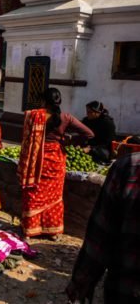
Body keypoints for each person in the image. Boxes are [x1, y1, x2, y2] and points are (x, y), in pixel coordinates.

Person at [17, 88, 94, 239]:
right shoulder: (66, 117)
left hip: (36, 161)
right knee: (54, 196)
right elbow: (89, 134)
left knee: (33, 193)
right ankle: (52, 231)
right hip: (55, 161)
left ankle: (29, 230)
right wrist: (68, 139)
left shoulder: (33, 115)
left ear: (44, 101)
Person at [66, 153, 140, 303]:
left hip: (126, 289)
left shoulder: (129, 167)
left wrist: (82, 280)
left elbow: (100, 236)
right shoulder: (129, 167)